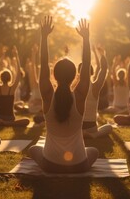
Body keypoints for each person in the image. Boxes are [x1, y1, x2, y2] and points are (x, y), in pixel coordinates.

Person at [28, 16, 98, 173]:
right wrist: (86, 38)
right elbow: (86, 65)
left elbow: (44, 65)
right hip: (78, 165)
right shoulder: (80, 95)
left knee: (34, 149)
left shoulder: (47, 94)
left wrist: (44, 36)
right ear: (75, 75)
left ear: (54, 74)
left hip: (50, 164)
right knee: (94, 151)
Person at [0, 46, 30, 127]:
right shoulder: (11, 89)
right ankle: (8, 123)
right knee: (27, 120)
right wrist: (16, 56)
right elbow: (19, 73)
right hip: (10, 118)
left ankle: (0, 122)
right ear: (10, 78)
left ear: (0, 77)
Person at [82, 46, 112, 138]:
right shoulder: (95, 87)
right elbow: (103, 69)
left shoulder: (73, 87)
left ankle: (83, 133)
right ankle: (94, 135)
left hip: (78, 127)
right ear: (92, 73)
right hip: (92, 127)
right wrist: (103, 55)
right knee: (109, 127)